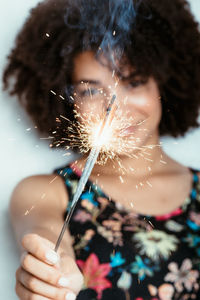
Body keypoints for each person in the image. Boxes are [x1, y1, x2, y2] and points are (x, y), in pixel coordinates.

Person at [3, 0, 200, 299]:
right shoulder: (47, 192)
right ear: (69, 102)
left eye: (134, 82)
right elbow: (41, 229)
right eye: (92, 91)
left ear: (164, 86)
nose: (115, 108)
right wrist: (52, 271)